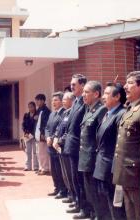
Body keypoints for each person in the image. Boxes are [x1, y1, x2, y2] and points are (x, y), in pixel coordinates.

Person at [112, 71, 140, 220]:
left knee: (139, 214)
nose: (125, 87)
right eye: (125, 83)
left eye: (130, 83)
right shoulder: (130, 108)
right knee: (130, 214)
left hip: (136, 174)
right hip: (125, 173)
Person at [93, 82, 126, 220]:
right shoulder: (108, 113)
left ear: (117, 96)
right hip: (102, 166)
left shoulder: (121, 114)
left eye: (107, 94)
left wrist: (115, 170)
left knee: (116, 206)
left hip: (111, 169)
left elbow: (120, 145)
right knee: (105, 203)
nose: (103, 97)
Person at [78, 80, 107, 219]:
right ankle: (94, 214)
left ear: (96, 94)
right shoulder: (89, 109)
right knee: (89, 191)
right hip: (85, 158)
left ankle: (99, 216)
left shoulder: (101, 110)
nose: (83, 95)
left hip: (93, 159)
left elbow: (102, 138)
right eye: (83, 92)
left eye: (86, 92)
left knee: (96, 193)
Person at [62, 74, 87, 217]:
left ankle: (84, 208)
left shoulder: (84, 102)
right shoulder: (77, 102)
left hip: (78, 146)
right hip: (71, 145)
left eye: (74, 85)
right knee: (74, 179)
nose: (71, 87)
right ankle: (78, 203)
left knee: (79, 179)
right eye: (71, 84)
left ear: (82, 85)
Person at [53, 92, 76, 204]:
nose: (63, 101)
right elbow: (59, 128)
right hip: (60, 147)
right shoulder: (65, 113)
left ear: (72, 101)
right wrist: (56, 138)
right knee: (65, 174)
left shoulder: (73, 113)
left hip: (67, 147)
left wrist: (60, 140)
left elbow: (69, 131)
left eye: (65, 99)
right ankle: (70, 195)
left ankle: (74, 197)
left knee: (70, 175)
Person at [45, 92, 67, 198]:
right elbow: (47, 128)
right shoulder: (52, 114)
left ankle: (63, 190)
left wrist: (53, 138)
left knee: (60, 170)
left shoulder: (64, 113)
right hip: (50, 146)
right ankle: (57, 188)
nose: (53, 102)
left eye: (56, 100)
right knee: (53, 170)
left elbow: (61, 129)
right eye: (52, 100)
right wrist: (48, 137)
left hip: (57, 146)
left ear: (61, 101)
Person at [34, 94, 51, 175]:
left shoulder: (46, 111)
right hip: (37, 133)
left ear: (42, 101)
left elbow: (46, 123)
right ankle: (41, 167)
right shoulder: (38, 110)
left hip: (42, 134)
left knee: (43, 152)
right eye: (36, 100)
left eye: (38, 100)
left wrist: (44, 133)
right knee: (39, 152)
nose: (37, 102)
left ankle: (45, 168)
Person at [22, 102, 39, 171]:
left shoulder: (37, 115)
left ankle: (35, 166)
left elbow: (37, 126)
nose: (30, 108)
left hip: (34, 135)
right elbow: (23, 125)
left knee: (35, 152)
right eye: (29, 107)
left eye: (32, 106)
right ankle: (28, 166)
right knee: (27, 151)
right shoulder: (26, 115)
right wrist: (25, 132)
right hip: (27, 135)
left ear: (34, 107)